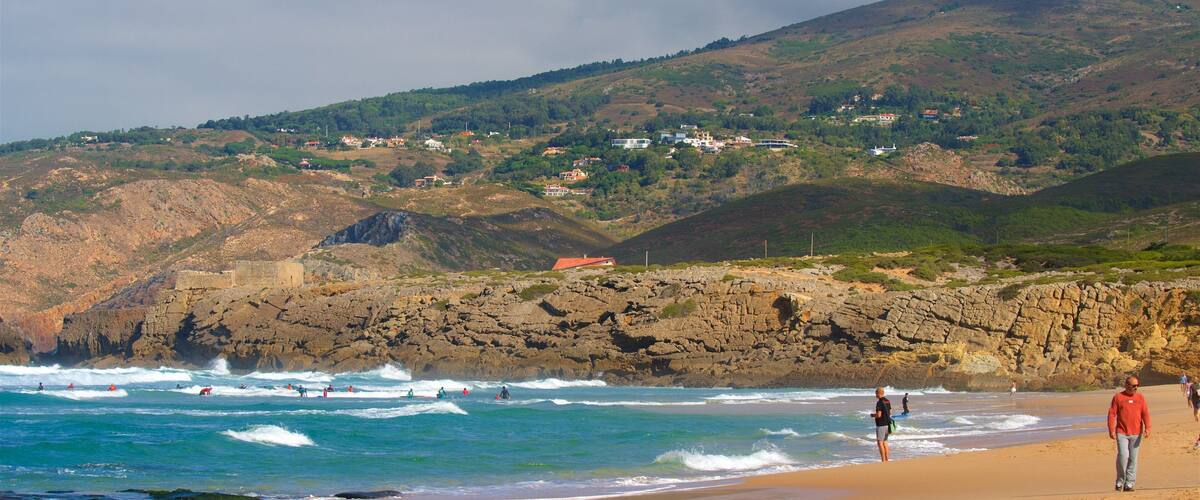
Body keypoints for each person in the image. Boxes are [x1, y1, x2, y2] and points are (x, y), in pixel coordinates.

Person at [1108, 375, 1150, 492]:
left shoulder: (1140, 397)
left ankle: (1129, 483)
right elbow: (1112, 414)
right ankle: (1120, 480)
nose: (1136, 388)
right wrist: (1111, 429)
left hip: (1136, 433)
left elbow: (1145, 413)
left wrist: (1148, 428)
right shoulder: (1118, 397)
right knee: (1123, 456)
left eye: (1137, 386)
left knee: (1133, 458)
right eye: (1133, 386)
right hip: (1121, 432)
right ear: (1126, 385)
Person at [873, 387, 892, 462]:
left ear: (878, 393)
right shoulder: (887, 401)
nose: (875, 395)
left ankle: (883, 460)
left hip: (881, 424)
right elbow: (890, 412)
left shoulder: (879, 402)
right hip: (887, 424)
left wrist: (873, 415)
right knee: (885, 442)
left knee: (880, 442)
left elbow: (879, 415)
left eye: (876, 393)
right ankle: (887, 459)